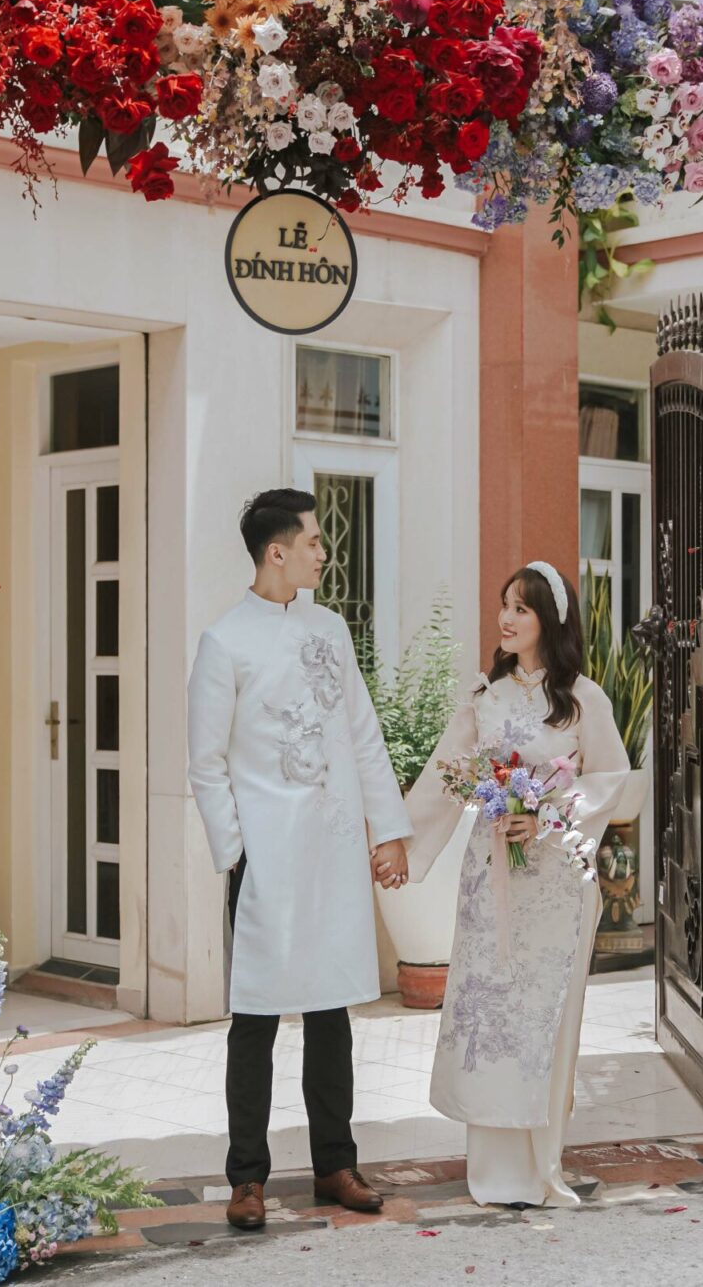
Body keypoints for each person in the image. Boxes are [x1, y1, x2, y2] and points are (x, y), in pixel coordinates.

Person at [186, 488, 414, 1230]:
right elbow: (205, 762)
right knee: (254, 1014)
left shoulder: (332, 629)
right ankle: (246, 1177)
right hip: (265, 856)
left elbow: (362, 733)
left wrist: (388, 830)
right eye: (313, 540)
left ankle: (334, 1165)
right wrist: (238, 853)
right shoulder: (224, 642)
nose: (324, 550)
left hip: (334, 845)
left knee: (332, 1006)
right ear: (276, 551)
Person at [398, 562, 631, 1208]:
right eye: (504, 604)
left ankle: (540, 1168)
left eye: (521, 608)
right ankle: (494, 1171)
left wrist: (548, 814)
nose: (506, 617)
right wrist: (399, 850)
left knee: (544, 1015)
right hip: (491, 877)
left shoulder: (585, 698)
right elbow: (445, 778)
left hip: (557, 881)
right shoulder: (484, 697)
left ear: (548, 622)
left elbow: (611, 776)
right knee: (490, 1008)